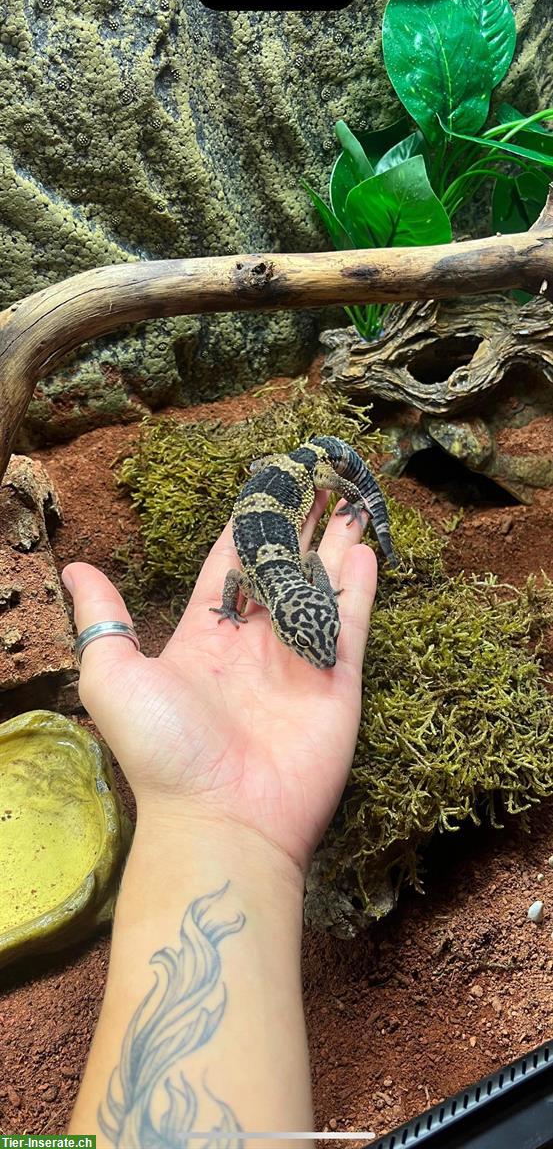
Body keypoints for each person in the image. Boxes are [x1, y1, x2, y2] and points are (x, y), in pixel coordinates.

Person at [63, 488, 377, 1147]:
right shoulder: (258, 584)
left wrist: (208, 819)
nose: (322, 659)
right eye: (308, 641)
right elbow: (237, 580)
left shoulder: (292, 586)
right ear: (283, 622)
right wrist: (212, 816)